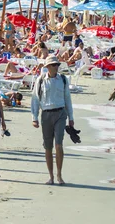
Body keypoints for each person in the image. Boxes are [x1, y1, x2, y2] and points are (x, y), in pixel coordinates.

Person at [31, 56, 74, 185]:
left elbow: (67, 99)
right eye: (53, 65)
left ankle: (59, 174)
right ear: (48, 67)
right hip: (46, 114)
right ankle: (51, 176)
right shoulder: (41, 80)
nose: (56, 67)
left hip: (61, 113)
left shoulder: (63, 80)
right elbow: (35, 99)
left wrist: (71, 118)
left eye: (57, 65)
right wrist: (34, 117)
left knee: (59, 145)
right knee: (48, 147)